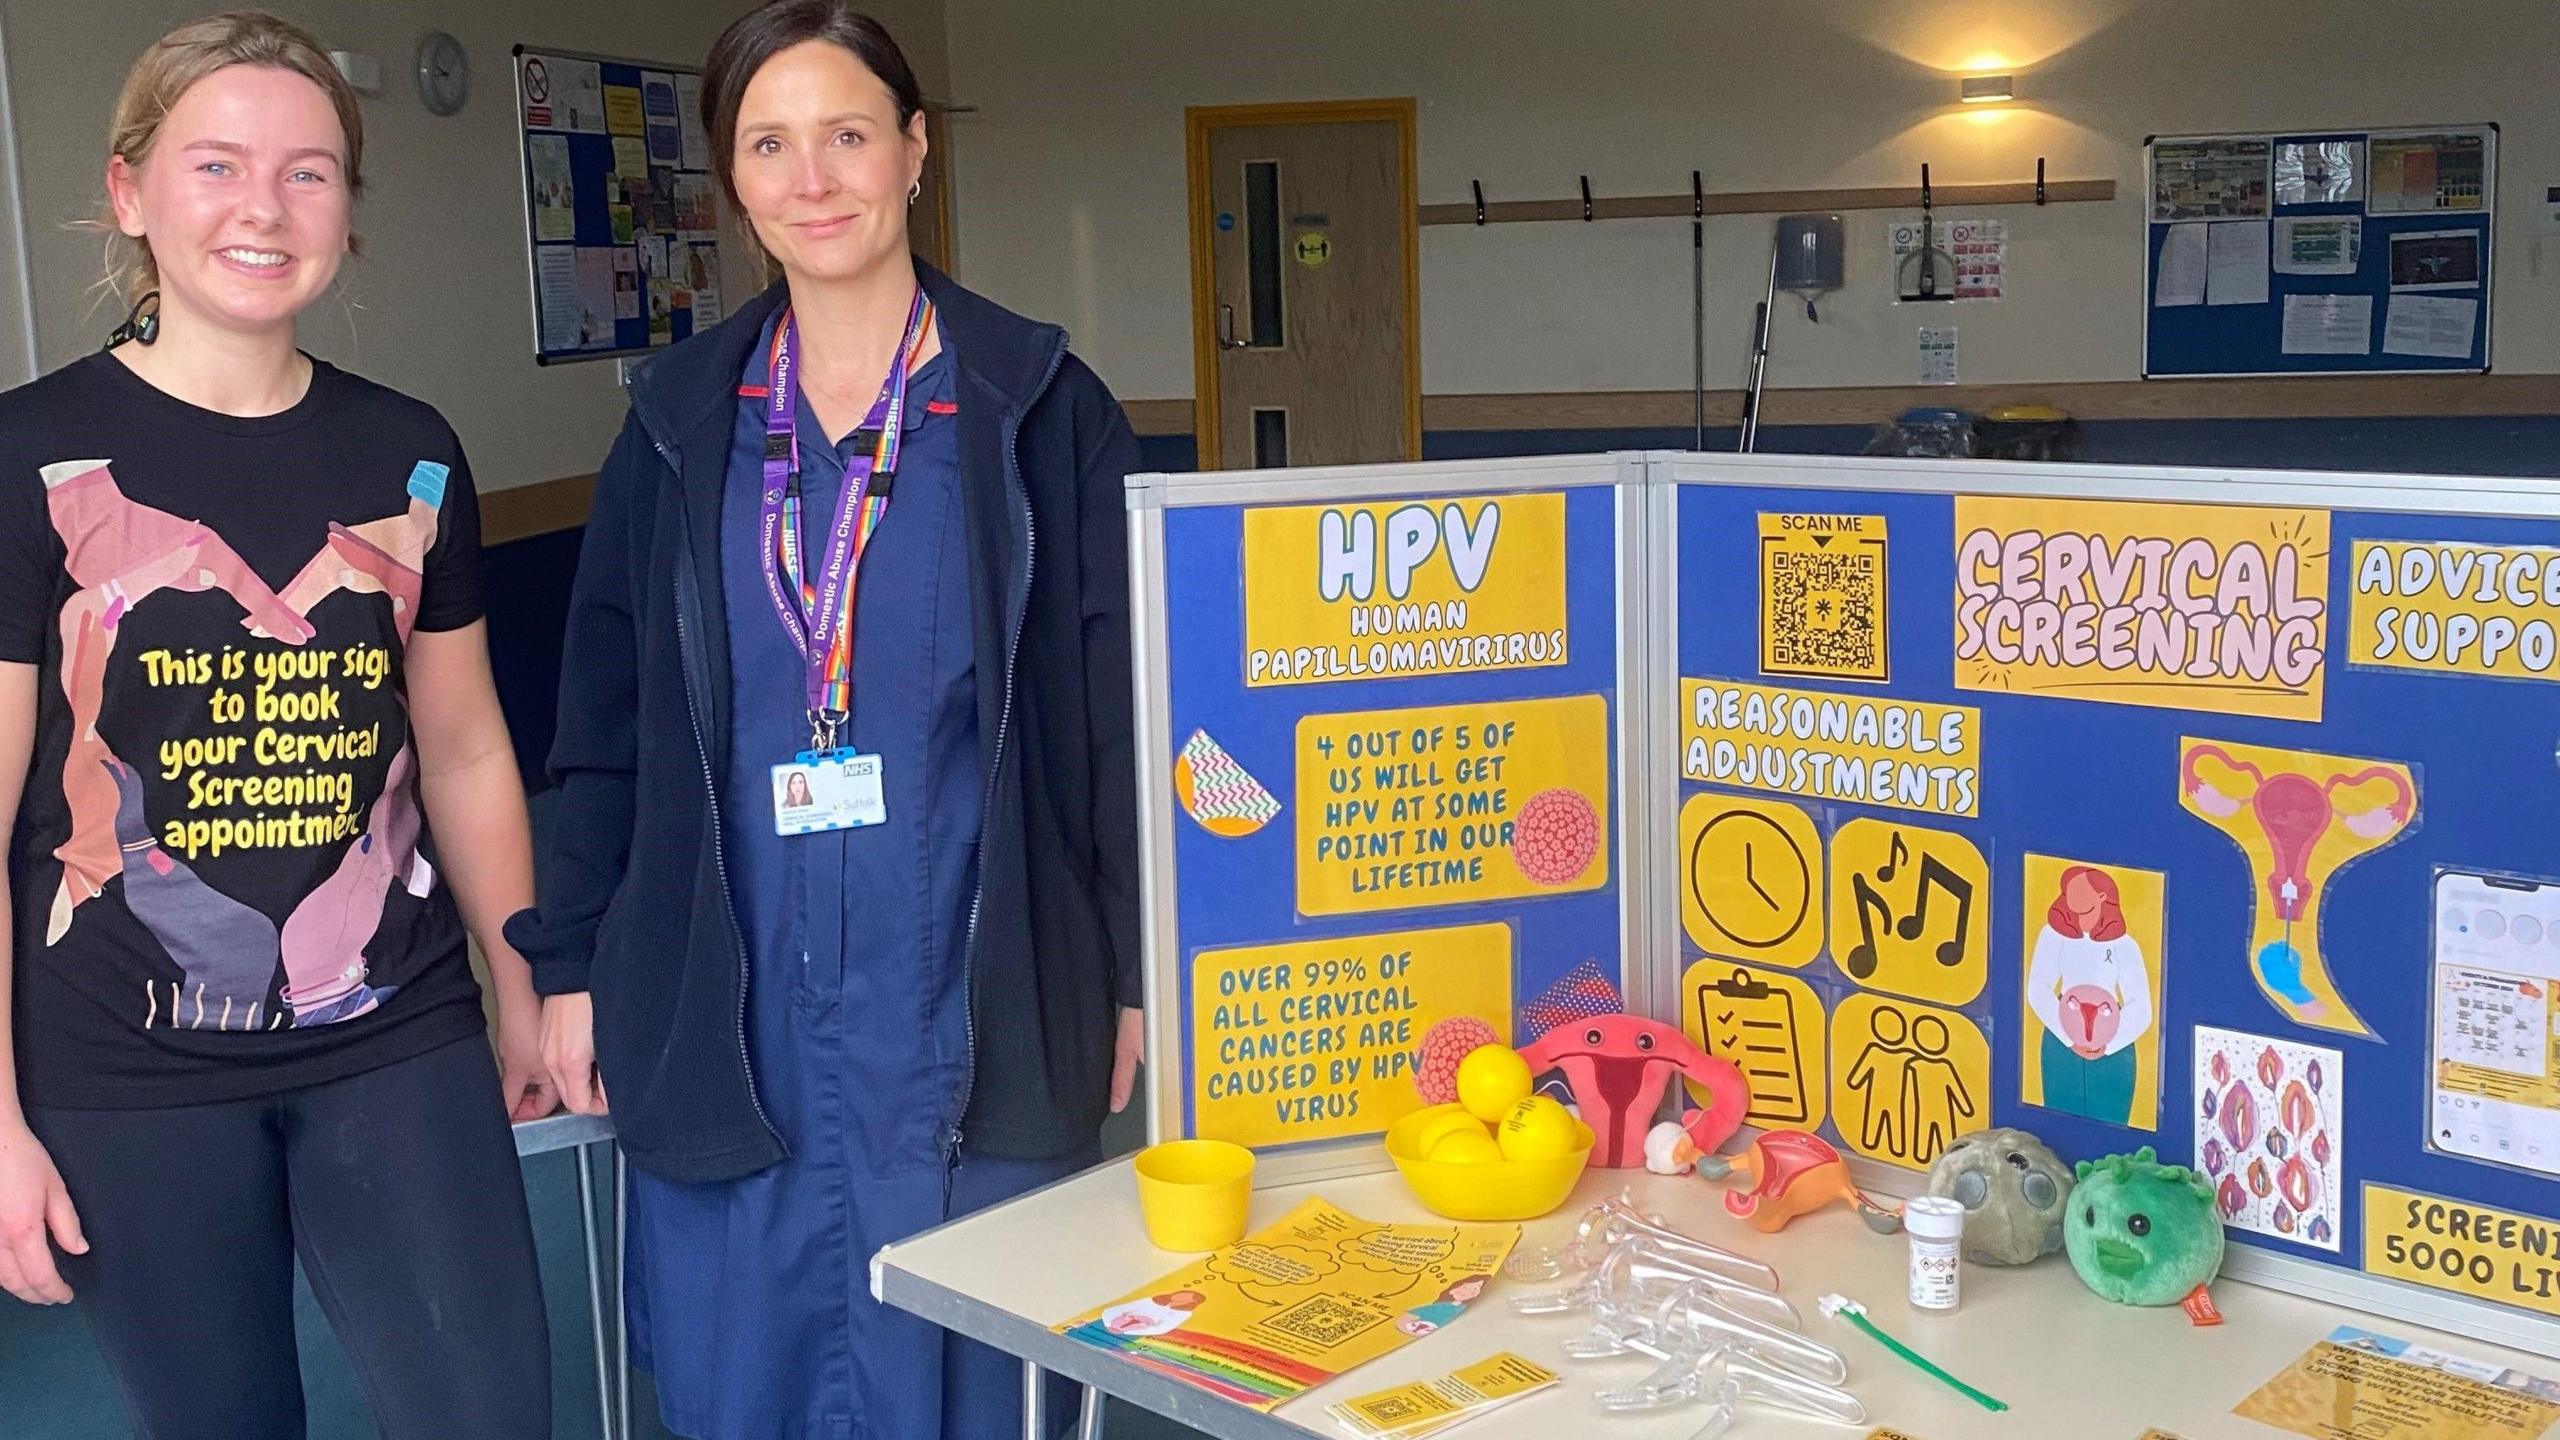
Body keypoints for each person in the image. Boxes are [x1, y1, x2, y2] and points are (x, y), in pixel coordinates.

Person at [504, 4, 1145, 1435]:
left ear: (915, 152)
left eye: (848, 134)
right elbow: (602, 720)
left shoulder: (1038, 407)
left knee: (989, 1354)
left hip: (973, 991)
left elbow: (1114, 716)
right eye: (771, 144)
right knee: (756, 1357)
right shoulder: (678, 424)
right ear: (732, 179)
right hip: (734, 1000)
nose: (814, 178)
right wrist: (571, 963)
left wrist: (1129, 968)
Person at [0, 12, 553, 1436]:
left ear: (348, 214)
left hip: (393, 1026)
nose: (265, 205)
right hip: (122, 1062)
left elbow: (468, 747)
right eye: (217, 164)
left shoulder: (409, 451)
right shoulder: (28, 459)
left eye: (309, 172)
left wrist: (526, 988)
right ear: (131, 193)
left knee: (487, 1412)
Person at [2026, 865, 2154, 1125]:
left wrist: (2108, 1044)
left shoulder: (2124, 944)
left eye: (2080, 887)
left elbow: (2141, 1004)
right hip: (2061, 1040)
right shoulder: (2053, 935)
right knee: (2059, 1115)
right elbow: (2038, 987)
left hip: (2113, 1043)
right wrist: (2067, 1037)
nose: (2069, 891)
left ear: (2101, 896)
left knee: (2112, 1118)